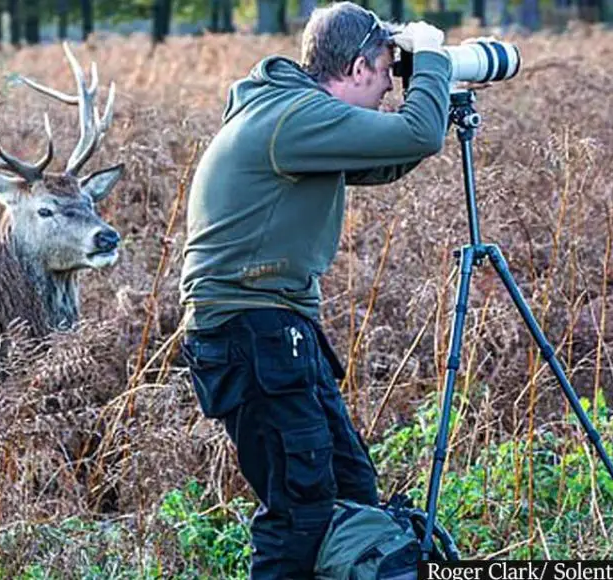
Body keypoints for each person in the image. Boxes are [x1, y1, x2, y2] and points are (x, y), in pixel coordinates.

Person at [178, 3, 453, 578]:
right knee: (301, 511)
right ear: (356, 67)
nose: (387, 87)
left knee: (351, 492)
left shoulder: (290, 112)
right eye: (385, 70)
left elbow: (392, 156)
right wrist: (430, 59)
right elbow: (417, 134)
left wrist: (440, 86)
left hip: (271, 331)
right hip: (253, 332)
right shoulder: (293, 117)